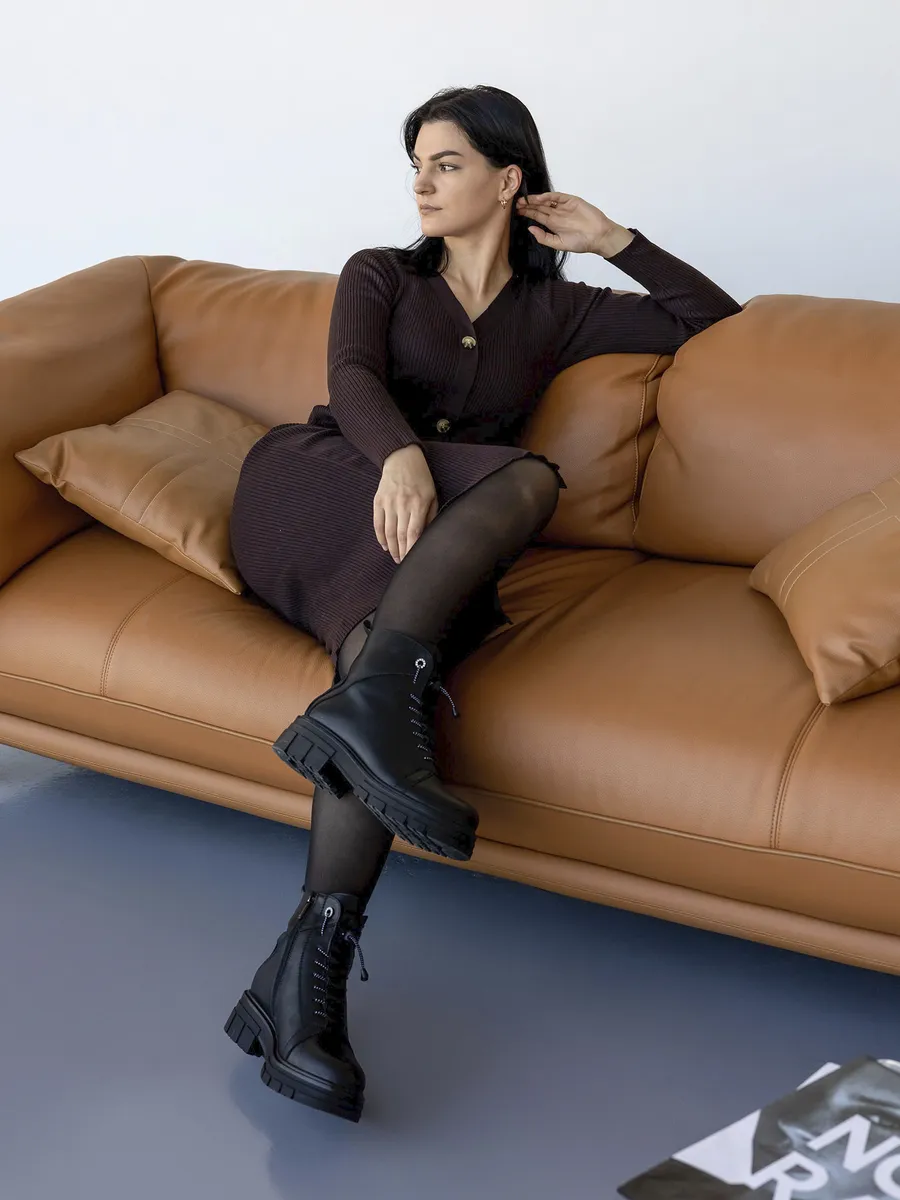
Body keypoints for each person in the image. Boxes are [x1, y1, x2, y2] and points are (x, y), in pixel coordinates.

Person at [224, 84, 742, 1122]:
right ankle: (376, 708)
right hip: (321, 485)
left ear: (509, 181)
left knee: (397, 631)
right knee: (520, 484)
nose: (421, 183)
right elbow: (352, 378)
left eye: (447, 164)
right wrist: (402, 457)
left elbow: (717, 322)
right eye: (416, 165)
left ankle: (303, 983)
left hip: (427, 545)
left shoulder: (561, 309)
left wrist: (617, 240)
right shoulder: (380, 272)